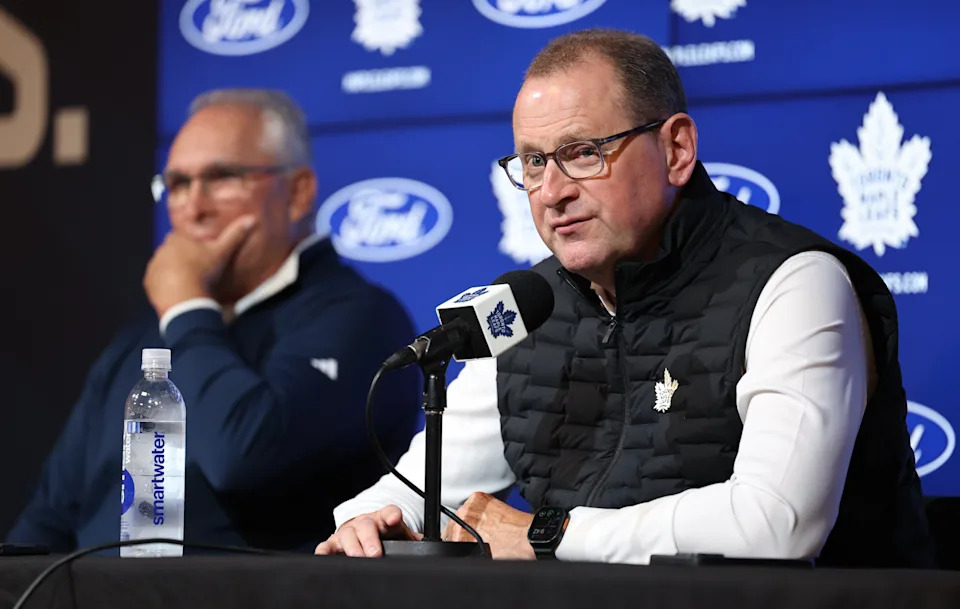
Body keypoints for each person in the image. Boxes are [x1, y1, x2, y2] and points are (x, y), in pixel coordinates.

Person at [315, 30, 935, 567]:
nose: (551, 191)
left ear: (676, 150)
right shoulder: (523, 309)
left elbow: (776, 523)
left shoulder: (794, 282)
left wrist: (547, 534)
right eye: (532, 162)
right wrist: (374, 519)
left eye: (583, 152)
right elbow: (422, 490)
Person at [6, 89, 422, 553]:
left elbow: (243, 459)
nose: (193, 207)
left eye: (222, 177)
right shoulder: (147, 333)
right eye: (178, 183)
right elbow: (51, 515)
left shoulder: (359, 318)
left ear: (299, 191)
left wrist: (187, 307)